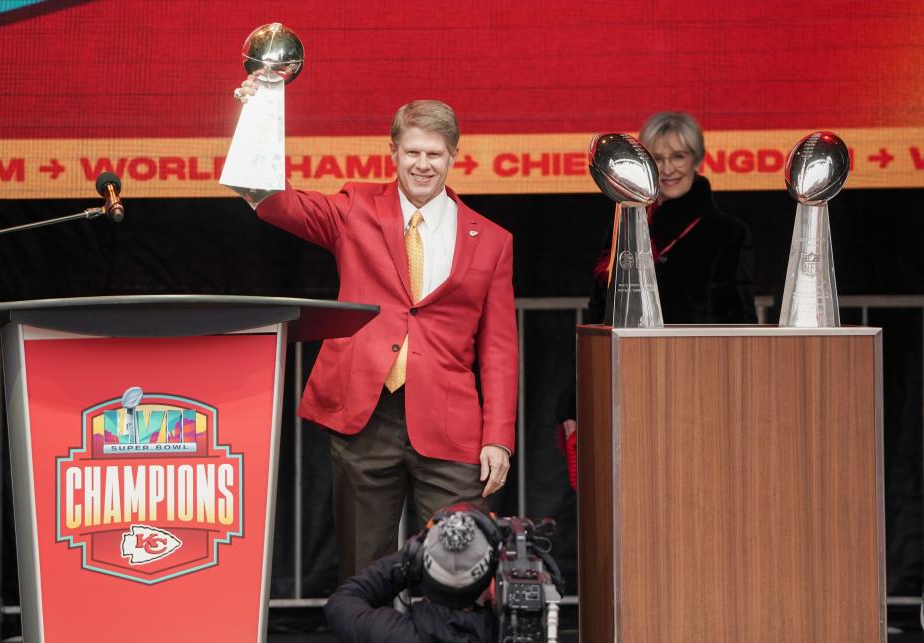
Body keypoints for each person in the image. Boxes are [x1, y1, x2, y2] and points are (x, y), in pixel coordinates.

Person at [234, 77, 517, 581]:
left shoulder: (492, 239)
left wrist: (499, 437)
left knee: (460, 572)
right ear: (393, 152)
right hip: (366, 419)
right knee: (366, 573)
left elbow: (498, 349)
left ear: (454, 155)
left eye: (434, 152)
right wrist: (258, 112)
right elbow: (270, 201)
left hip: (452, 427)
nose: (423, 164)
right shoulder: (355, 211)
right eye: (412, 151)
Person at [556, 111, 756, 488]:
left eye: (678, 156)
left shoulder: (727, 232)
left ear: (697, 160)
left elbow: (741, 322)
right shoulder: (622, 224)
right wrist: (573, 402)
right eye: (657, 158)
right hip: (625, 392)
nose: (668, 168)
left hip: (698, 396)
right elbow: (597, 314)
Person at [323, 504, 499, 642]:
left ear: (417, 564)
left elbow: (342, 601)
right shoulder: (506, 633)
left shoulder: (389, 633)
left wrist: (406, 559)